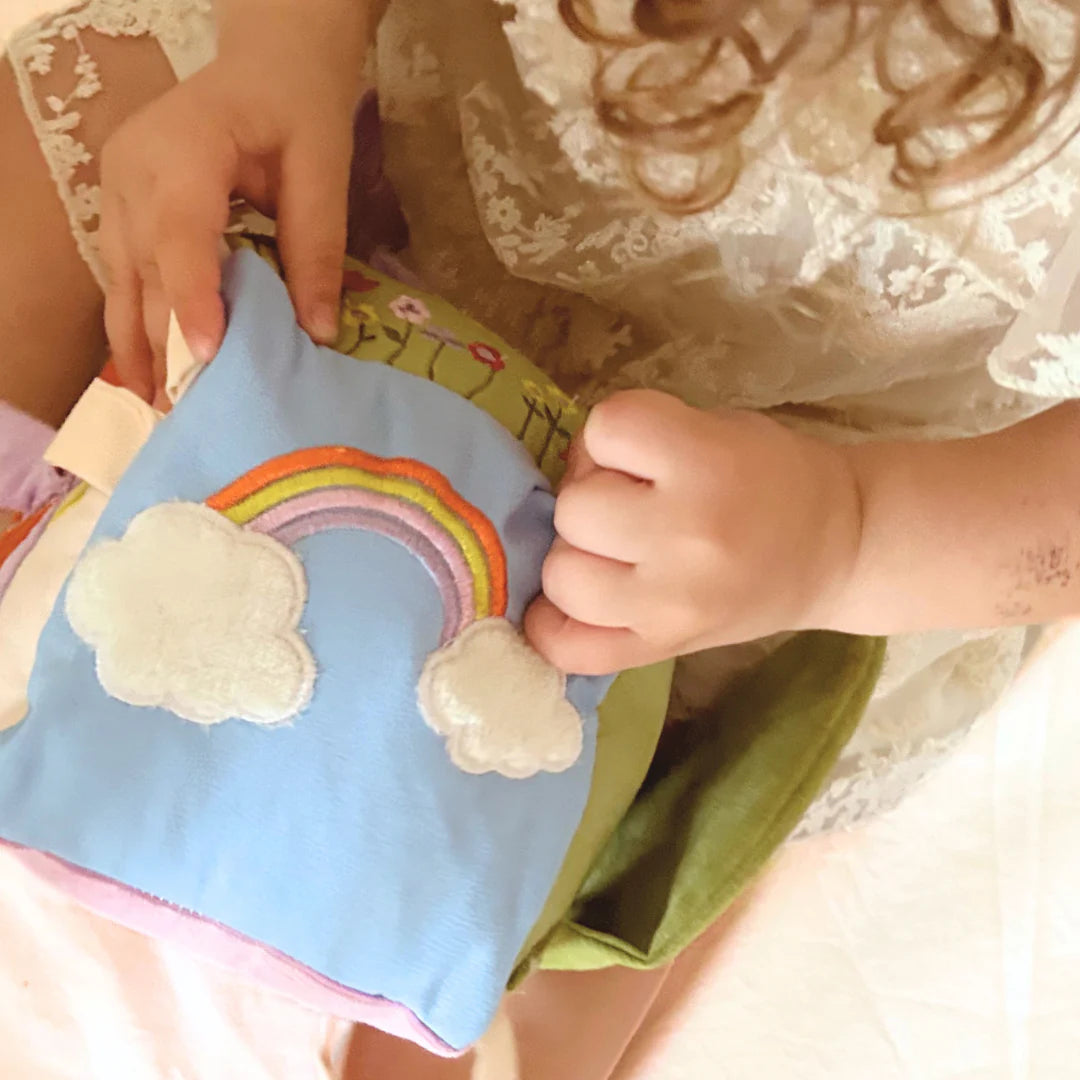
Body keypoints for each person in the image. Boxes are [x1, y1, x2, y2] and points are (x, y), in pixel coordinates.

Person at [4, 0, 1080, 840]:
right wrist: (283, 50)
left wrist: (846, 534)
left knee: (550, 841)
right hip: (377, 150)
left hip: (767, 492)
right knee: (75, 123)